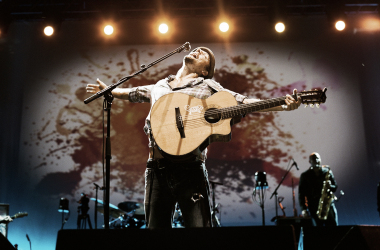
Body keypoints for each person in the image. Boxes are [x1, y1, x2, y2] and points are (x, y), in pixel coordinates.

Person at [86, 46, 301, 228]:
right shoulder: (160, 85)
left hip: (190, 168)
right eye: (197, 49)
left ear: (205, 70)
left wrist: (282, 105)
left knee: (200, 234)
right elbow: (134, 92)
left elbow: (242, 102)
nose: (198, 50)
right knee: (154, 236)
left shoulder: (208, 86)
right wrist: (110, 91)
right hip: (156, 168)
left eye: (204, 54)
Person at [298, 152, 338, 226]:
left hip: (328, 206)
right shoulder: (305, 175)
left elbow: (335, 187)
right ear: (310, 161)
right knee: (318, 232)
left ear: (320, 159)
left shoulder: (327, 171)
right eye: (313, 158)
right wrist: (303, 209)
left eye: (317, 158)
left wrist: (330, 186)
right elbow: (301, 194)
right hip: (314, 206)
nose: (316, 160)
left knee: (333, 229)